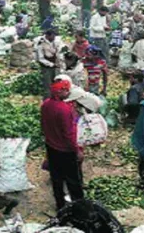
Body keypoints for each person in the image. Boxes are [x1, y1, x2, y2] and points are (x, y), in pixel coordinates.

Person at [41, 80, 84, 210]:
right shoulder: (64, 110)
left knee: (56, 178)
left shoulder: (45, 104)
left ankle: (60, 205)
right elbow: (69, 134)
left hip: (51, 146)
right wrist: (77, 150)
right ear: (60, 92)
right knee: (73, 180)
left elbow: (43, 125)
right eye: (66, 90)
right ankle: (79, 206)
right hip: (65, 150)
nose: (69, 92)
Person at [37, 29, 61, 99]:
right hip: (46, 66)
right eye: (52, 36)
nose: (54, 38)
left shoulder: (54, 41)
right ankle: (47, 100)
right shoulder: (41, 43)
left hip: (54, 65)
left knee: (55, 82)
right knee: (48, 84)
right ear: (47, 36)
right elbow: (40, 59)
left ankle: (55, 98)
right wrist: (51, 64)